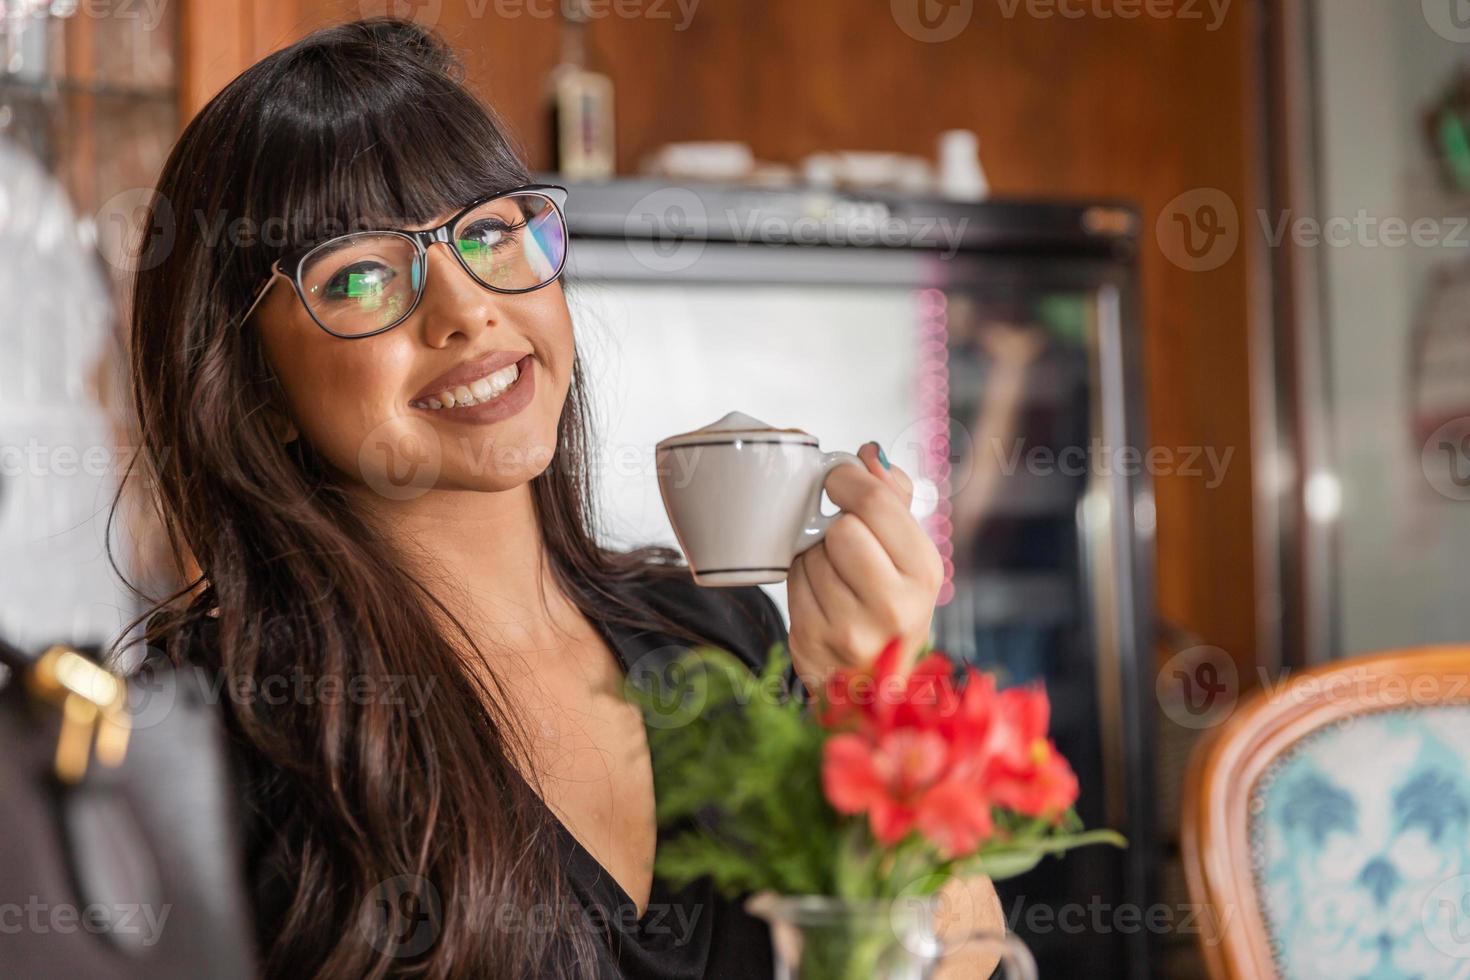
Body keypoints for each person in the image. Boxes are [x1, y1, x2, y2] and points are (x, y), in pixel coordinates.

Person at [123, 17, 999, 979]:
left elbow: (960, 966)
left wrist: (875, 702)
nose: (467, 311)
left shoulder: (721, 634)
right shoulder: (214, 732)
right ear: (253, 385)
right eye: (362, 276)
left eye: (491, 233)